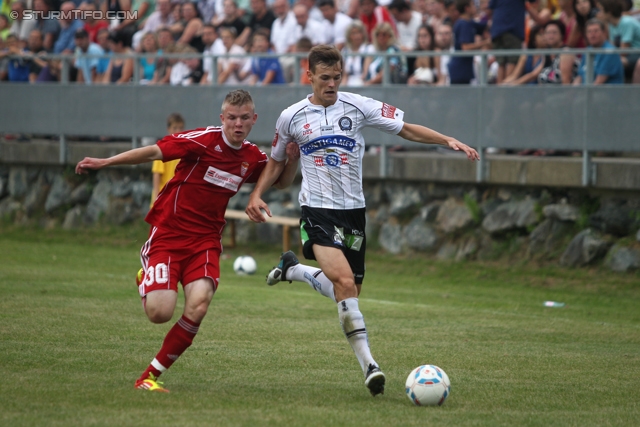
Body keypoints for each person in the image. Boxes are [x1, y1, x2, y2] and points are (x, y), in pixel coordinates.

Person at [244, 45, 479, 397]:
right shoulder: (291, 116)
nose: (332, 84)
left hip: (353, 212)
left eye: (337, 77)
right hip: (316, 210)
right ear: (309, 76)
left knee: (349, 289)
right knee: (342, 280)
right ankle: (370, 365)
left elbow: (406, 129)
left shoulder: (357, 106)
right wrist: (256, 194)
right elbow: (276, 161)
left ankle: (293, 269)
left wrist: (446, 140)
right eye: (325, 78)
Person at [75, 89, 300, 393]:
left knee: (199, 304)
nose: (237, 124)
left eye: (244, 118)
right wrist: (106, 162)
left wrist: (292, 161)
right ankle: (147, 276)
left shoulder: (252, 156)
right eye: (231, 118)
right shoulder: (202, 140)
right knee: (160, 313)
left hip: (206, 241)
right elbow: (153, 151)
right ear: (222, 118)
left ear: (253, 120)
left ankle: (149, 377)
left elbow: (282, 181)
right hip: (169, 233)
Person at [598, 0, 640, 84]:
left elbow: (623, 51)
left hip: (636, 52)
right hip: (628, 54)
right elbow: (612, 46)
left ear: (609, 12)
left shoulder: (626, 22)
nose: (599, 13)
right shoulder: (611, 24)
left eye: (601, 10)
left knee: (615, 61)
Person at [573, 18, 624, 84]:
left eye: (596, 31)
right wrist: (573, 91)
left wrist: (582, 93)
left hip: (604, 92)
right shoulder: (588, 50)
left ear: (604, 33)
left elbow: (599, 82)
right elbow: (579, 77)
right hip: (587, 91)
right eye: (589, 32)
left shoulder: (610, 51)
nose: (592, 34)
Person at [150, 113, 184, 207]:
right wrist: (156, 197)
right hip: (163, 197)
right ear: (168, 129)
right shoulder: (163, 147)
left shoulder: (184, 149)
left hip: (176, 198)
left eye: (181, 128)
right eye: (175, 128)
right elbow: (157, 173)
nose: (178, 131)